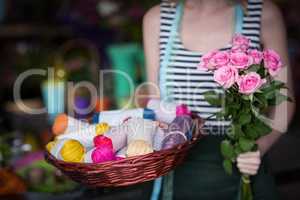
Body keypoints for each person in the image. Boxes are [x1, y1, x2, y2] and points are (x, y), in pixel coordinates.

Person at [143, 0, 295, 199]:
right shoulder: (158, 18)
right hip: (178, 165)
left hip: (244, 159)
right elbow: (155, 102)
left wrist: (259, 146)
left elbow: (285, 101)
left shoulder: (261, 13)